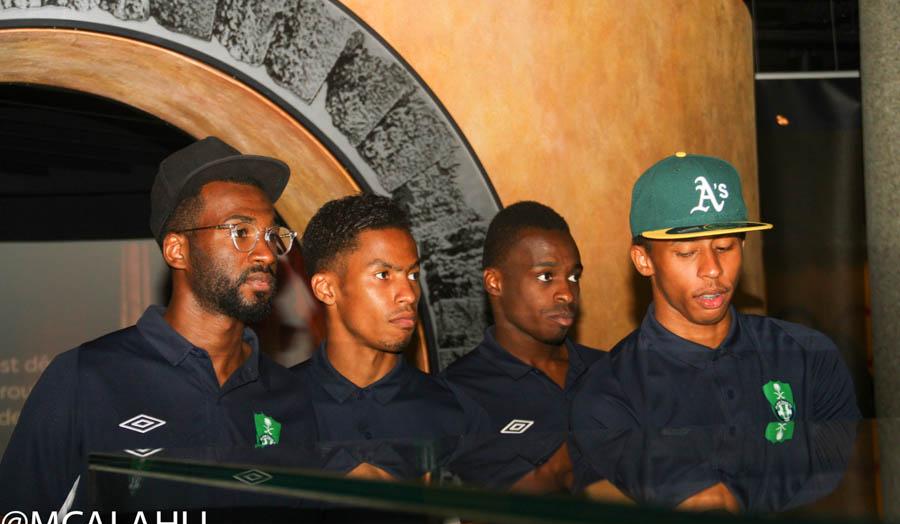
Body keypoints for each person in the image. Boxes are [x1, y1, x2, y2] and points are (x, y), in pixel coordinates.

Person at [0, 137, 319, 524]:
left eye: (272, 236)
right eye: (241, 231)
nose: (267, 254)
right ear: (177, 250)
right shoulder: (86, 377)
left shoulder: (289, 396)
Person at [573, 152, 861, 433]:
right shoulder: (610, 393)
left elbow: (845, 462)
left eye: (724, 247)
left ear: (743, 247)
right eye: (687, 252)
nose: (712, 269)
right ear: (643, 260)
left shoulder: (807, 354)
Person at [442, 201, 606, 492]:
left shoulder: (613, 371)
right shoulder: (455, 395)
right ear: (495, 282)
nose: (567, 294)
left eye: (573, 277)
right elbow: (488, 511)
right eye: (546, 276)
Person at [294, 194, 480, 443]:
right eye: (383, 275)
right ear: (326, 289)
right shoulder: (273, 406)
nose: (409, 295)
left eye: (413, 275)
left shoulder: (455, 412)